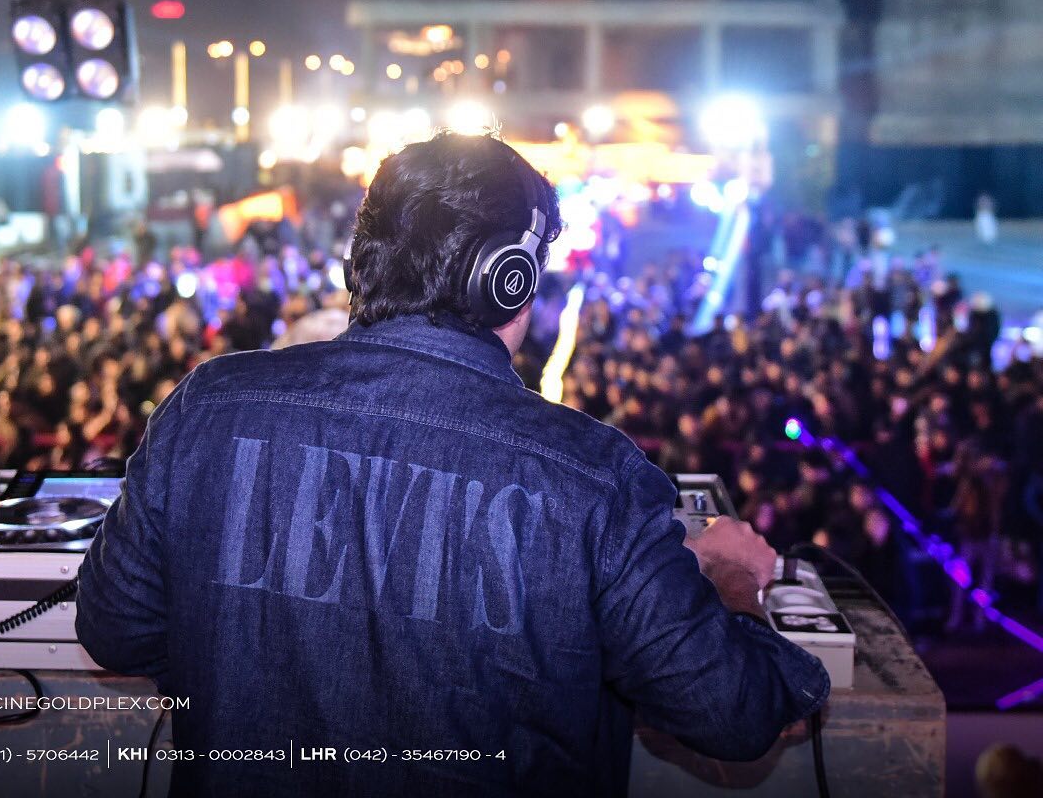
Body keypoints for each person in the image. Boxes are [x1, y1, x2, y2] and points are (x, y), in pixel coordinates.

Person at [77, 132, 829, 798]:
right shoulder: (593, 477)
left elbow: (115, 628)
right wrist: (731, 583)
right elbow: (733, 714)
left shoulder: (209, 405)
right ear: (510, 278)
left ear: (361, 262)